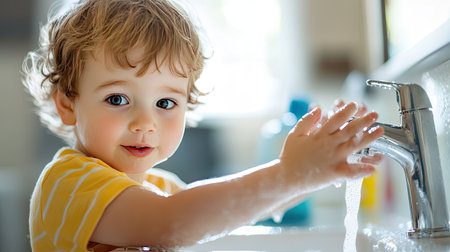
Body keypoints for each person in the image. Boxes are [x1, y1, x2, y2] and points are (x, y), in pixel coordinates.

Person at [22, 0, 384, 251]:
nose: (145, 122)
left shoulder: (160, 187)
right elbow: (173, 223)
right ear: (67, 104)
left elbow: (220, 214)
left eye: (166, 103)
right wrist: (287, 174)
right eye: (117, 99)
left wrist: (312, 172)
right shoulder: (67, 183)